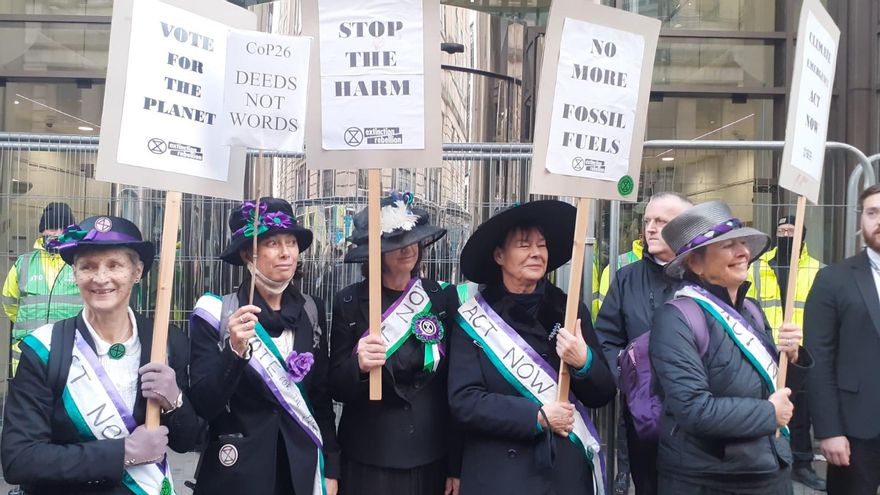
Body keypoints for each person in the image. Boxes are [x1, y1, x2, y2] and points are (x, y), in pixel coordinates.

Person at [1, 215, 199, 494]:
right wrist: (123, 452)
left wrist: (175, 401)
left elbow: (187, 439)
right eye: (88, 267)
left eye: (114, 265)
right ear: (75, 273)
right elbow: (19, 460)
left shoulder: (166, 343)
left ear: (137, 271)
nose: (100, 278)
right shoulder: (44, 349)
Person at [448, 200, 616, 495]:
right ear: (499, 255)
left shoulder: (568, 308)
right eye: (524, 245)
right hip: (498, 474)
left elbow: (602, 392)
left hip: (562, 471)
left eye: (542, 245)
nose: (537, 253)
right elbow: (465, 401)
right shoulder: (472, 318)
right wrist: (535, 416)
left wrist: (583, 361)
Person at [649, 201, 812, 494]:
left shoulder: (752, 310)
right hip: (708, 480)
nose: (743, 253)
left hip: (769, 470)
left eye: (743, 243)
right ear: (695, 263)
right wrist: (768, 414)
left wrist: (793, 357)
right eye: (727, 246)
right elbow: (694, 410)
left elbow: (777, 390)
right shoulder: (676, 319)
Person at [189, 198, 340, 495]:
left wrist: (331, 465)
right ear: (248, 253)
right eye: (272, 243)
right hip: (236, 473)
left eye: (292, 242)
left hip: (300, 468)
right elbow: (204, 403)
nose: (286, 253)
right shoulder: (216, 312)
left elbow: (321, 397)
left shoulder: (312, 309)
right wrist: (233, 351)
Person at [329, 192, 460, 495]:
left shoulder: (441, 298)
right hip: (369, 456)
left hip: (431, 453)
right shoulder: (348, 302)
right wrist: (358, 366)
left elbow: (453, 383)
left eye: (412, 238)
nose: (408, 248)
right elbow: (334, 385)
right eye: (396, 242)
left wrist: (456, 462)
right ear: (374, 252)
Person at [594, 192, 692, 495]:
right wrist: (628, 379)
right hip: (644, 418)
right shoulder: (626, 278)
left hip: (698, 421)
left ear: (687, 226)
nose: (650, 228)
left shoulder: (706, 276)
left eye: (661, 221)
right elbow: (606, 338)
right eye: (647, 220)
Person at [805, 184, 880, 494]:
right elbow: (817, 360)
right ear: (861, 219)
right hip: (856, 430)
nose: (879, 220)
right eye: (873, 212)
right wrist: (829, 430)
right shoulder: (833, 280)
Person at [747, 215, 825, 491]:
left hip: (801, 352)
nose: (786, 235)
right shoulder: (756, 268)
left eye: (792, 231)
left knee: (801, 411)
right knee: (767, 408)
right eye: (781, 230)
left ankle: (802, 465)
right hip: (765, 349)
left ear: (803, 235)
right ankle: (771, 460)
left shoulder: (817, 269)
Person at [3, 202, 83, 375]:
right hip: (29, 351)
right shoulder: (24, 263)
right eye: (48, 228)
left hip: (72, 352)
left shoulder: (80, 263)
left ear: (68, 230)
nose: (52, 233)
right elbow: (9, 302)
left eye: (58, 228)